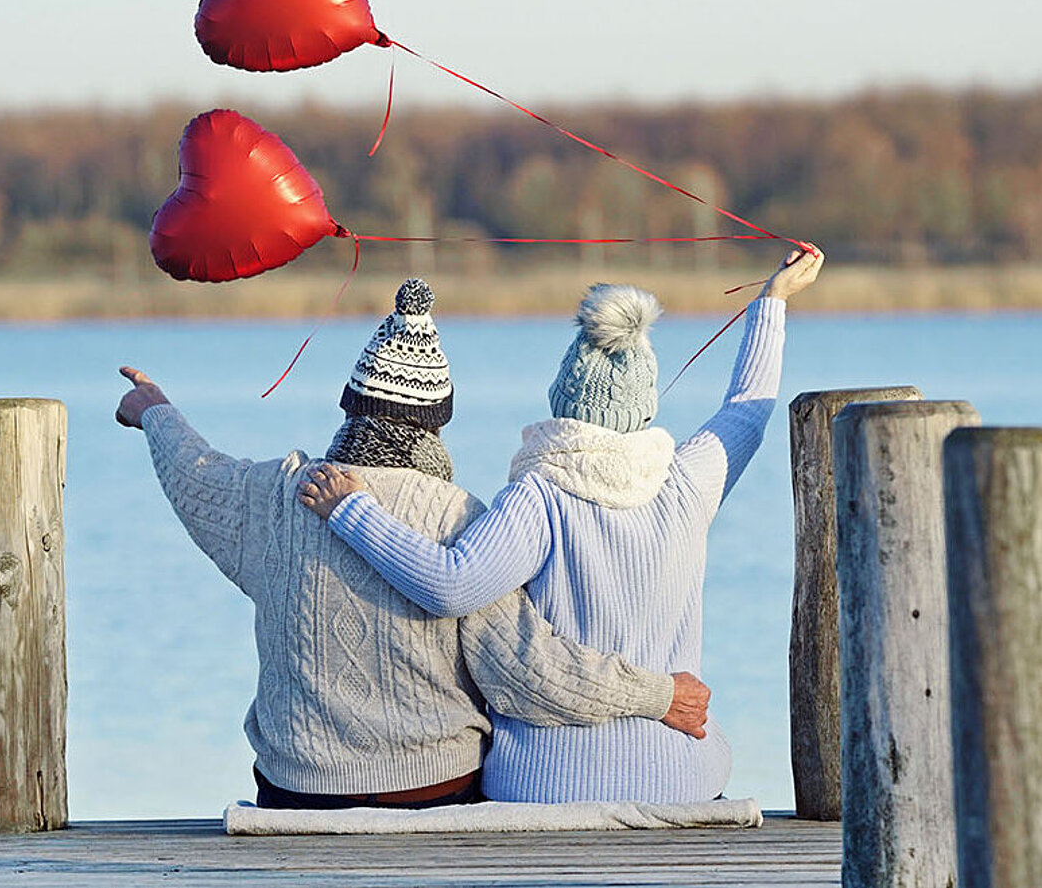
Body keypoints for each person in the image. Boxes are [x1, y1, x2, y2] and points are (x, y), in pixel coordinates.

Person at [115, 278, 712, 810]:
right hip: (431, 787)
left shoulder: (277, 493)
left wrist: (154, 411)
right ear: (435, 421)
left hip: (298, 787)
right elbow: (526, 669)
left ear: (352, 404)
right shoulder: (457, 515)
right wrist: (657, 695)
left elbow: (196, 474)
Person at [300, 248, 825, 803]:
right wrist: (773, 300)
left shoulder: (540, 496)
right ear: (645, 406)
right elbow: (747, 409)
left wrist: (352, 511)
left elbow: (450, 585)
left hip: (543, 784)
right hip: (679, 775)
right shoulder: (688, 481)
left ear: (561, 398)